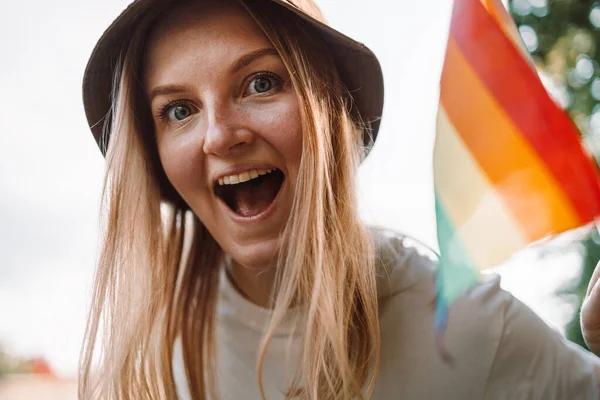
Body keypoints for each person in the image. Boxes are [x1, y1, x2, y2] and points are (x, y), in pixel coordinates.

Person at [79, 0, 600, 398]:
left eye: (260, 82)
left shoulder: (467, 325)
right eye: (177, 110)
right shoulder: (147, 362)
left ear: (331, 111)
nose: (218, 135)